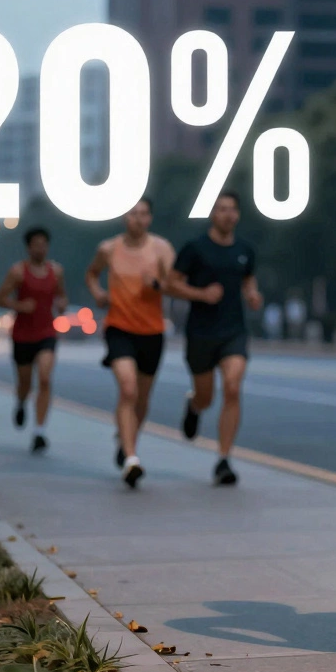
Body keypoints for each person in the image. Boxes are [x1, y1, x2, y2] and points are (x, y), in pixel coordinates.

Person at [169, 191, 263, 486]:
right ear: (212, 214)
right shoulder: (195, 249)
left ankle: (223, 460)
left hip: (233, 331)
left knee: (233, 388)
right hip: (200, 333)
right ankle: (194, 405)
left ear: (237, 214)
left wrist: (252, 295)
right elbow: (171, 284)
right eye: (221, 209)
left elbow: (248, 279)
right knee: (206, 396)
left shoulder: (245, 249)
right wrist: (201, 294)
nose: (227, 214)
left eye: (232, 209)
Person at [86, 197, 175, 489]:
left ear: (150, 218)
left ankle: (126, 441)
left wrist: (157, 285)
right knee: (128, 389)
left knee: (142, 399)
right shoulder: (109, 248)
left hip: (151, 331)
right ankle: (131, 459)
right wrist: (98, 293)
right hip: (119, 328)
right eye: (133, 213)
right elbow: (91, 274)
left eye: (144, 214)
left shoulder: (161, 249)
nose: (138, 218)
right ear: (124, 218)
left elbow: (175, 285)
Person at [0, 227, 67, 453]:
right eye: (36, 244)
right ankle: (21, 402)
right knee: (25, 383)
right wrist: (20, 306)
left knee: (45, 378)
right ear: (29, 247)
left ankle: (39, 432)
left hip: (46, 333)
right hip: (22, 335)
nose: (40, 248)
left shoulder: (56, 271)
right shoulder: (18, 272)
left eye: (44, 243)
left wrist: (62, 304)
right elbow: (0, 298)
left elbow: (61, 295)